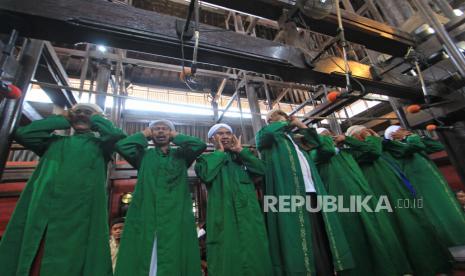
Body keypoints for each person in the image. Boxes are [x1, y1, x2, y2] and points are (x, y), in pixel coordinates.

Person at [0, 103, 126, 276]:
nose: (82, 115)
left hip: (79, 210)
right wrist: (63, 119)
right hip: (44, 204)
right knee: (35, 250)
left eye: (87, 113)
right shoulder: (54, 142)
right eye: (78, 112)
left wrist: (96, 118)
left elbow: (116, 134)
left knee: (71, 254)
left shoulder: (101, 145)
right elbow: (24, 134)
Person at [255, 110, 354, 276]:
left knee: (320, 235)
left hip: (312, 191)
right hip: (291, 193)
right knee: (301, 236)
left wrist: (301, 125)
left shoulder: (294, 139)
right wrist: (286, 123)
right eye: (280, 116)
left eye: (286, 116)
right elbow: (266, 134)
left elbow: (317, 142)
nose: (285, 118)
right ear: (270, 120)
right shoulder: (266, 136)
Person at [345, 125, 452, 275]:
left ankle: (433, 265)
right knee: (401, 227)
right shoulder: (355, 152)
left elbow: (410, 147)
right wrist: (369, 137)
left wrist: (406, 137)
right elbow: (373, 151)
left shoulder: (382, 147)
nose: (368, 135)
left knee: (417, 222)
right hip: (385, 196)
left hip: (400, 191)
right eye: (363, 135)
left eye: (368, 132)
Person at [311, 128, 412, 276]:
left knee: (379, 233)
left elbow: (373, 151)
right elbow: (326, 150)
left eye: (329, 133)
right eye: (324, 135)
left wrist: (349, 139)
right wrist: (323, 139)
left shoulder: (348, 153)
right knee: (356, 239)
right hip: (343, 204)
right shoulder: (316, 154)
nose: (329, 136)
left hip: (365, 199)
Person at [114, 119, 206, 276]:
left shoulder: (182, 156)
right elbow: (122, 146)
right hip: (147, 212)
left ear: (171, 133)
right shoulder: (143, 156)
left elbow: (199, 145)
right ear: (151, 134)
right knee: (145, 251)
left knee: (174, 251)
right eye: (156, 129)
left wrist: (177, 136)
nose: (161, 131)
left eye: (165, 129)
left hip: (175, 215)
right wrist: (144, 135)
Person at [195, 123, 273, 276]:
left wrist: (241, 152)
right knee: (226, 256)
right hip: (224, 215)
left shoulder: (242, 158)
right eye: (220, 134)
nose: (224, 136)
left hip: (249, 216)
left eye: (228, 133)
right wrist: (219, 152)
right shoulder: (204, 160)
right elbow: (206, 175)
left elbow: (263, 170)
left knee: (256, 254)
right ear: (211, 139)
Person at [383, 125, 465, 247]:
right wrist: (409, 137)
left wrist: (419, 136)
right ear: (393, 136)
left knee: (451, 208)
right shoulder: (397, 149)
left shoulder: (410, 143)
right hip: (423, 186)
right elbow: (416, 146)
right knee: (440, 213)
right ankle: (452, 243)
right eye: (401, 130)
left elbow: (438, 146)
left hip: (436, 183)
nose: (405, 131)